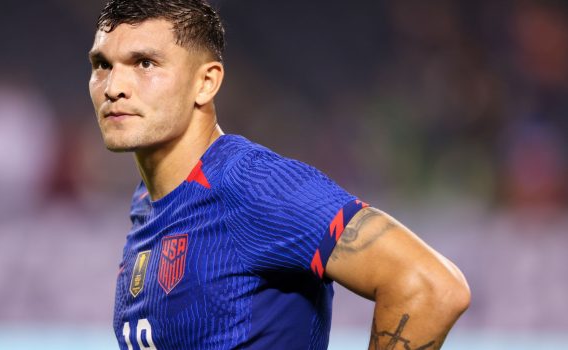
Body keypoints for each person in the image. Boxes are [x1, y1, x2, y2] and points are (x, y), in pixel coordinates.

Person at [88, 1, 470, 349]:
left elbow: (431, 286)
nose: (114, 88)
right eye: (102, 65)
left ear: (205, 82)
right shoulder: (148, 201)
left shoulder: (253, 184)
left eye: (145, 64)